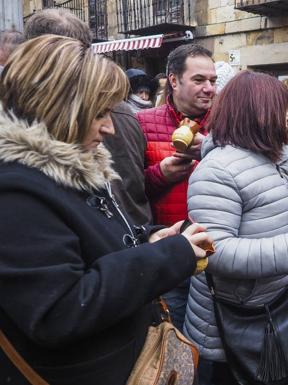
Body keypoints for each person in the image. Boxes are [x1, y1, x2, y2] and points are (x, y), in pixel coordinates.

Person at [0, 35, 211, 385]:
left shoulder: (70, 169)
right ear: (58, 107)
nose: (110, 127)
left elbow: (92, 247)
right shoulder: (14, 190)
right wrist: (167, 256)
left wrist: (148, 238)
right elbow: (59, 311)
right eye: (100, 113)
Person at [183, 71, 288, 385]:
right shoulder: (217, 171)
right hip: (237, 321)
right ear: (257, 114)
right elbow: (213, 252)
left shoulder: (283, 158)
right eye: (281, 110)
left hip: (283, 306)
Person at [23, 4, 153, 228]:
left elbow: (129, 190)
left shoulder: (120, 114)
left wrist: (144, 239)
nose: (107, 126)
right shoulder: (19, 176)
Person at [138, 43, 216, 334]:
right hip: (172, 258)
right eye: (199, 80)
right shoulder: (143, 123)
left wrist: (211, 149)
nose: (208, 88)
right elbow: (128, 193)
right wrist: (161, 174)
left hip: (218, 253)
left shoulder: (226, 125)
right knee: (177, 340)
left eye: (212, 80)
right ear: (173, 80)